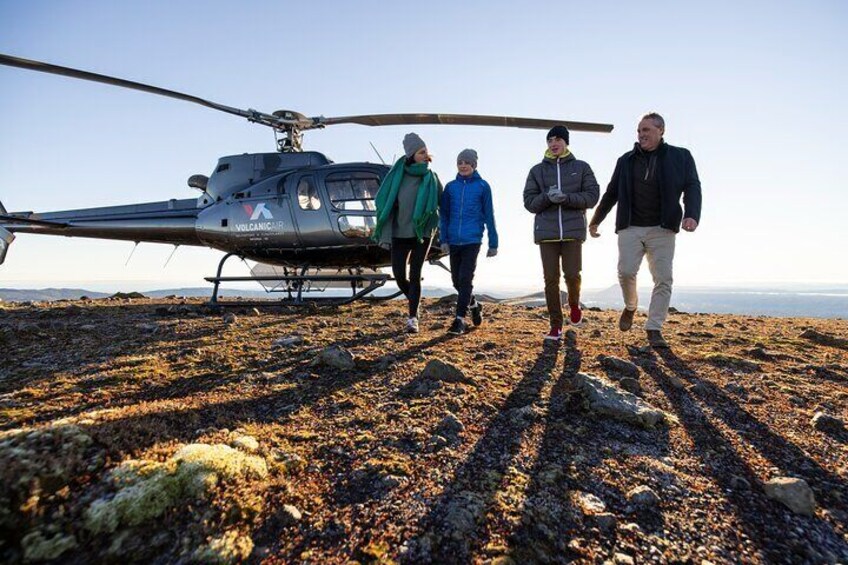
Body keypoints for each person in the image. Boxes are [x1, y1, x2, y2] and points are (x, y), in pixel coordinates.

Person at [589, 112, 702, 348]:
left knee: (663, 279)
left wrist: (691, 214)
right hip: (630, 227)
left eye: (646, 130)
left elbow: (692, 186)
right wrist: (596, 219)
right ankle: (631, 306)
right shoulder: (626, 160)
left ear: (661, 131)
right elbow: (612, 192)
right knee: (626, 272)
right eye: (639, 131)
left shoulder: (680, 157)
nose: (641, 135)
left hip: (663, 229)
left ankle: (654, 327)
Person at [523, 125, 599, 342]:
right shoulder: (537, 171)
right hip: (546, 233)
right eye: (550, 140)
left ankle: (574, 304)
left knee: (573, 275)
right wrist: (547, 197)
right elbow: (529, 202)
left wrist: (566, 198)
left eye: (558, 139)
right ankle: (555, 326)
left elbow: (592, 196)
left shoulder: (581, 167)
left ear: (566, 142)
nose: (554, 143)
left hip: (572, 231)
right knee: (550, 279)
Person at [373, 133, 442, 333]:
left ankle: (412, 318)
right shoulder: (397, 176)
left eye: (426, 152)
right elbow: (384, 199)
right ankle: (416, 302)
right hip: (399, 232)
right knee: (399, 275)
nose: (425, 155)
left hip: (422, 232)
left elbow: (443, 201)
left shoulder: (431, 178)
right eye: (421, 152)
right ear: (411, 154)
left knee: (415, 272)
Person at [439, 148, 499, 335]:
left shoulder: (482, 186)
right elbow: (444, 215)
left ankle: (459, 320)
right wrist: (443, 239)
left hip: (472, 240)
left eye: (466, 162)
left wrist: (493, 243)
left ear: (474, 165)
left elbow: (489, 215)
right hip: (453, 241)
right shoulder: (450, 187)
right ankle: (474, 305)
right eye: (460, 162)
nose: (463, 165)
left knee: (465, 279)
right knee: (456, 281)